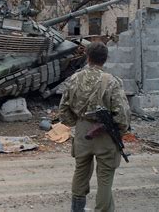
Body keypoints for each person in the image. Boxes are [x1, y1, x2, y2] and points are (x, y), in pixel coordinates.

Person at [59, 41, 130, 212]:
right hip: (106, 134)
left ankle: (77, 209)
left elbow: (63, 109)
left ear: (88, 57)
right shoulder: (112, 81)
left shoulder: (74, 78)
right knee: (105, 178)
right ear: (105, 60)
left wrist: (77, 123)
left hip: (82, 130)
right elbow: (122, 115)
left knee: (81, 171)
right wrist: (119, 131)